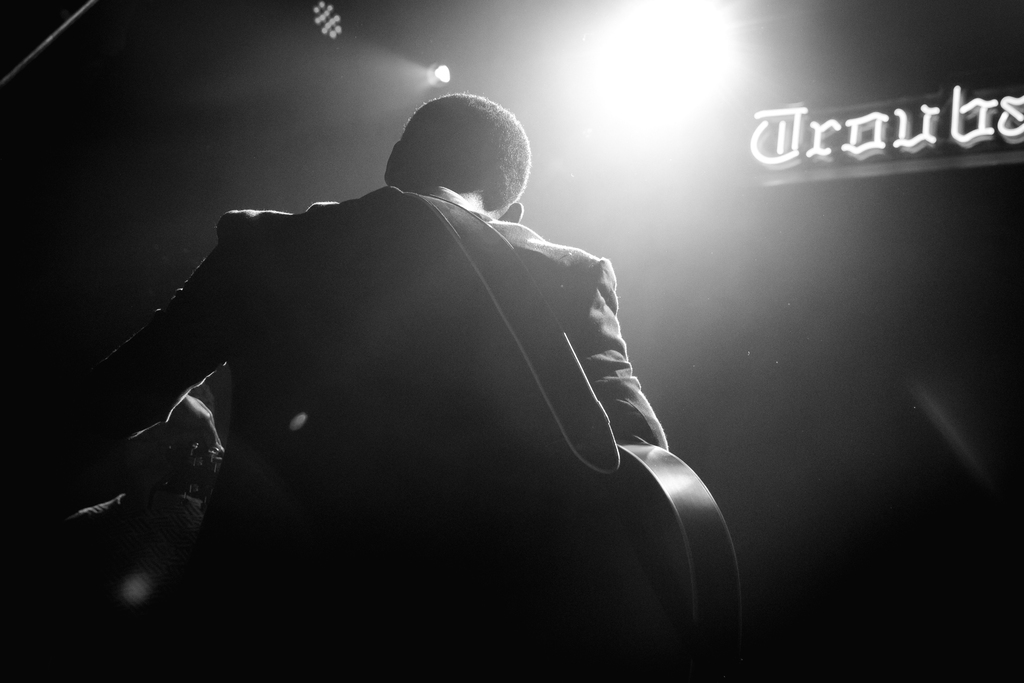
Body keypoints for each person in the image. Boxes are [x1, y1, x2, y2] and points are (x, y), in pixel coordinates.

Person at [82, 93, 669, 660]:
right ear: (512, 212)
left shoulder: (263, 243)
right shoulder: (570, 275)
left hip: (258, 622)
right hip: (478, 635)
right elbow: (644, 460)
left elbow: (112, 397)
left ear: (394, 163)